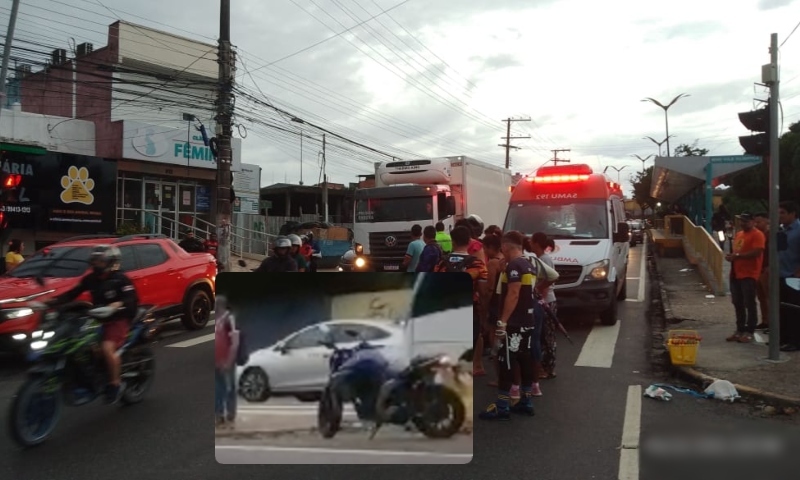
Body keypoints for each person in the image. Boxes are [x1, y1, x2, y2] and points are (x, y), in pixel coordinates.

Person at [44, 245, 138, 404]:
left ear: (110, 262)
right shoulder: (90, 278)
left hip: (118, 319)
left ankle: (115, 384)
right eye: (94, 260)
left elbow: (131, 300)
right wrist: (51, 302)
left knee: (107, 347)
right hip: (97, 317)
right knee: (78, 343)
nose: (96, 263)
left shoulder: (121, 279)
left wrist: (116, 305)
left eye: (100, 261)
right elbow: (71, 294)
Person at [479, 231, 537, 420]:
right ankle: (526, 399)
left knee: (506, 362)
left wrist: (502, 321)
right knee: (524, 359)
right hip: (527, 321)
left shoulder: (514, 266)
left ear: (505, 246)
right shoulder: (529, 264)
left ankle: (502, 405)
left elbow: (513, 293)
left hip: (514, 322)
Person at [435, 226, 489, 375]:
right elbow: (484, 292)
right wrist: (485, 314)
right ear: (469, 241)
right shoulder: (477, 264)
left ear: (452, 242)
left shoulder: (441, 264)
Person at [725, 213, 765, 344]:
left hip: (749, 274)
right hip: (736, 273)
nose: (743, 223)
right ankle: (740, 329)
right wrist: (733, 256)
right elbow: (738, 251)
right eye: (742, 221)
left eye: (746, 221)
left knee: (749, 303)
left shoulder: (757, 234)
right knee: (738, 303)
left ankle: (749, 331)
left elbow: (757, 252)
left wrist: (738, 256)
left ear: (753, 222)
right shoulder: (739, 234)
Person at [528, 233, 559, 380]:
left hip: (546, 301)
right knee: (543, 336)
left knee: (547, 336)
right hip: (545, 301)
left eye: (531, 241)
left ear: (536, 243)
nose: (529, 243)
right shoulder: (541, 258)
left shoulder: (544, 259)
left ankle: (548, 368)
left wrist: (539, 295)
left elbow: (547, 281)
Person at [481, 231, 504, 382]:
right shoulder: (505, 260)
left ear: (490, 248)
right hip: (506, 304)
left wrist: (484, 309)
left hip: (495, 305)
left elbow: (489, 289)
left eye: (485, 249)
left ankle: (499, 378)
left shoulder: (493, 263)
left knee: (494, 341)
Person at [777, 201, 800, 351]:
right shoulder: (782, 230)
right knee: (782, 309)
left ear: (792, 214)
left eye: (783, 213)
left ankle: (795, 341)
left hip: (794, 276)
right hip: (780, 274)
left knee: (794, 310)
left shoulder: (798, 230)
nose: (780, 216)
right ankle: (783, 338)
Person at [215, 295, 240, 429]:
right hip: (217, 361)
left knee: (229, 388)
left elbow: (235, 343)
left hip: (226, 361)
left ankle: (230, 415)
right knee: (218, 389)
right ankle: (219, 415)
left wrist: (229, 361)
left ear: (220, 306)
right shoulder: (217, 320)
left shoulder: (229, 319)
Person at [753, 212, 770, 330]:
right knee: (761, 297)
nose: (756, 224)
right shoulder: (758, 234)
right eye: (755, 222)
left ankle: (771, 321)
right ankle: (765, 320)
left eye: (759, 222)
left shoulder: (770, 234)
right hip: (759, 268)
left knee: (768, 296)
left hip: (767, 269)